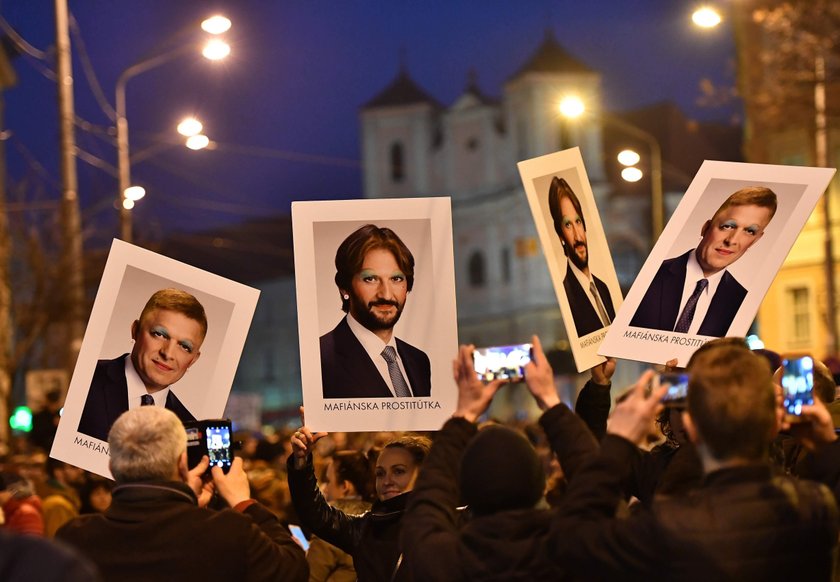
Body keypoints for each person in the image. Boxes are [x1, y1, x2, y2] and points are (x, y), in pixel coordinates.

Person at [547, 341, 840, 580]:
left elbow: (572, 539)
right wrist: (827, 446)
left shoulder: (663, 528)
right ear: (774, 422)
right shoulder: (815, 508)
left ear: (693, 428)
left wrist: (620, 439)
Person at [400, 336, 602, 580]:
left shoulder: (443, 560)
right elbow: (598, 486)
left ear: (464, 487)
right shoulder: (578, 550)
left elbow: (425, 504)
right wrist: (550, 401)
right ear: (539, 484)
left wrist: (464, 415)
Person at [56, 406, 308, 582]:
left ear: (112, 468)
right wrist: (244, 502)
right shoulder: (228, 531)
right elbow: (293, 570)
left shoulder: (73, 538)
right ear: (181, 463)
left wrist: (188, 507)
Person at [288, 410, 431, 582]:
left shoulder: (453, 523)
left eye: (398, 471)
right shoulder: (366, 529)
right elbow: (315, 513)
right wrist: (301, 460)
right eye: (380, 473)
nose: (387, 481)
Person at [630, 186, 777, 336]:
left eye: (749, 231)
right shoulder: (651, 275)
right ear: (706, 228)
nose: (732, 240)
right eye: (727, 226)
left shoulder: (741, 300)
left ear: (755, 240)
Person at [78, 288, 205, 442]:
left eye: (184, 346)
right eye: (160, 334)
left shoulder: (190, 431)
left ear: (193, 359)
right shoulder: (84, 379)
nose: (168, 353)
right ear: (135, 330)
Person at [320, 224, 431, 398]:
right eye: (370, 279)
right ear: (344, 287)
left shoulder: (419, 360)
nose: (386, 294)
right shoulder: (321, 358)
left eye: (396, 279)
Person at [547, 177, 616, 337]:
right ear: (560, 236)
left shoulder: (603, 288)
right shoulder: (566, 296)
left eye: (578, 222)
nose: (578, 237)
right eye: (568, 225)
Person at [307, 450, 375, 582]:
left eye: (328, 481)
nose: (325, 489)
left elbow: (311, 577)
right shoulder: (378, 517)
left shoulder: (330, 524)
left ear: (345, 486)